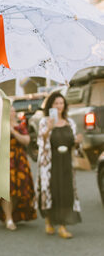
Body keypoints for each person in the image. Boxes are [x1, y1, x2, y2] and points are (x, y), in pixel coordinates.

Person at [35, 90, 82, 238]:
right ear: (50, 105)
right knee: (51, 190)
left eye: (61, 103)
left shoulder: (70, 122)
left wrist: (77, 142)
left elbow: (74, 144)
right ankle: (49, 221)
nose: (59, 106)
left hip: (66, 161)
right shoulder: (44, 121)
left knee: (66, 192)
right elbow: (40, 143)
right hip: (50, 163)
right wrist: (49, 128)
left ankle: (62, 225)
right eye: (56, 103)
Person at [0, 106, 37, 230]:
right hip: (5, 160)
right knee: (7, 191)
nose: (12, 112)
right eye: (9, 110)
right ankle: (8, 218)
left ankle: (12, 214)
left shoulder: (20, 126)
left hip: (19, 160)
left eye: (13, 110)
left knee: (19, 190)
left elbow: (26, 141)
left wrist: (13, 131)